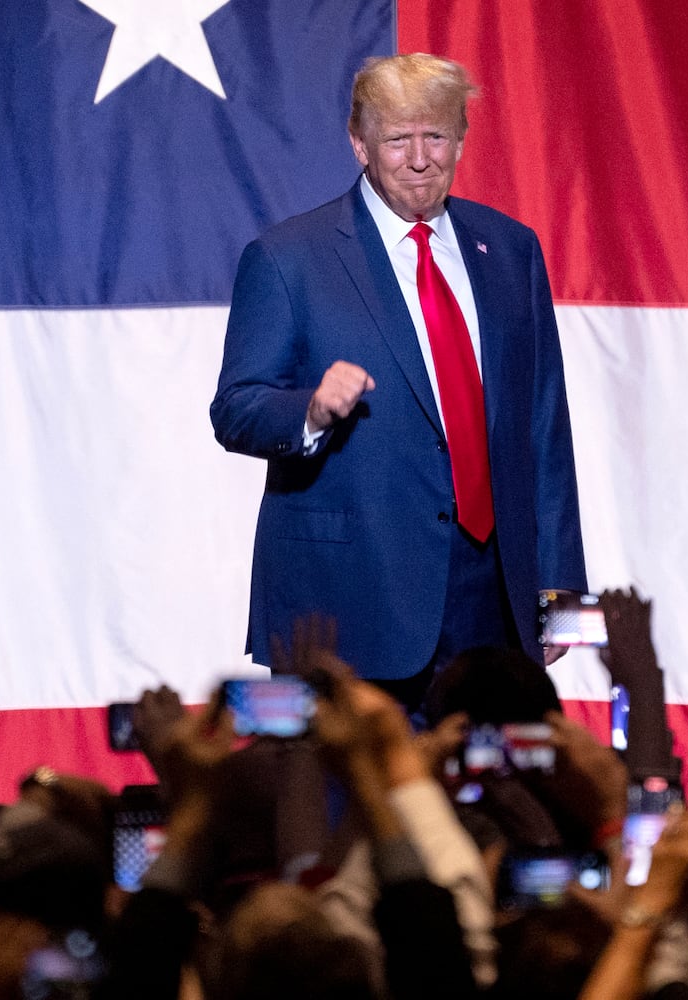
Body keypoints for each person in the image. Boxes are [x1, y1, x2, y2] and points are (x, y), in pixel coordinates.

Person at [210, 52, 587, 704]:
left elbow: (542, 429)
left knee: (482, 805)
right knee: (351, 807)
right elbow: (236, 409)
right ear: (359, 143)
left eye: (435, 136)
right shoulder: (286, 258)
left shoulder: (511, 250)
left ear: (462, 140)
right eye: (397, 140)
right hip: (350, 604)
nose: (419, 159)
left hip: (491, 601)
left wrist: (558, 590)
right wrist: (310, 410)